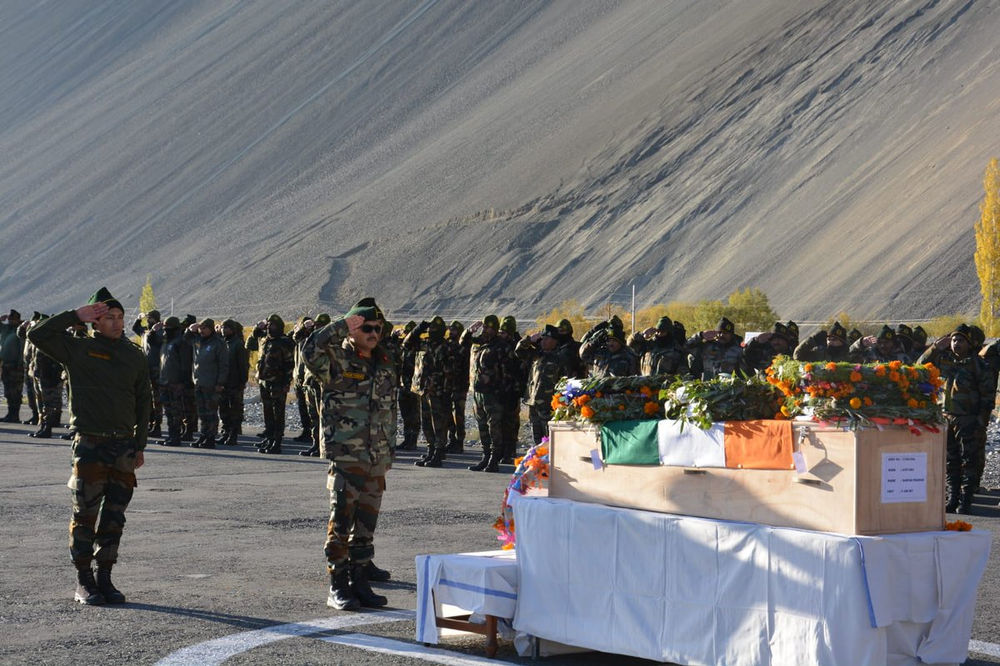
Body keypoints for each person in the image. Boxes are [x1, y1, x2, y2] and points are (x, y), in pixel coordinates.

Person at [28, 287, 150, 605]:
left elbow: (143, 401)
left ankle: (106, 578)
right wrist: (74, 315)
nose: (116, 323)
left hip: (123, 447)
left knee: (114, 516)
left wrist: (139, 445)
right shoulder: (77, 349)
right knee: (85, 514)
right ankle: (84, 581)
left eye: (120, 317)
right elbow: (38, 335)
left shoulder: (134, 355)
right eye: (108, 317)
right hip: (91, 445)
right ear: (95, 321)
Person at [302, 297, 396, 611]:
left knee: (366, 526)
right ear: (353, 329)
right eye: (365, 327)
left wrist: (387, 453)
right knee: (341, 523)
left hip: (376, 458)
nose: (372, 332)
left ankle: (360, 581)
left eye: (377, 328)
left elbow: (387, 411)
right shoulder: (338, 360)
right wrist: (343, 324)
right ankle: (337, 585)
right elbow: (309, 351)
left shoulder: (383, 362)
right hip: (346, 456)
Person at [918, 325, 994, 514]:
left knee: (969, 460)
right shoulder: (945, 360)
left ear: (969, 344)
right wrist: (935, 347)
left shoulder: (979, 365)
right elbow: (919, 366)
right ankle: (952, 498)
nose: (956, 343)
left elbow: (988, 396)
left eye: (960, 340)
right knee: (951, 460)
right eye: (953, 340)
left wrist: (980, 421)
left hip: (968, 419)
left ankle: (966, 500)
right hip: (946, 417)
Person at [404, 317, 452, 468]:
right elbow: (407, 343)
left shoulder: (445, 347)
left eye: (434, 329)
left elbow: (450, 372)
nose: (431, 332)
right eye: (430, 329)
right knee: (426, 423)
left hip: (437, 391)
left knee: (438, 423)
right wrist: (420, 327)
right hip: (423, 389)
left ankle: (439, 452)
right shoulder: (424, 344)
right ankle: (431, 450)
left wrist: (445, 392)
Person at [460, 316, 506, 472]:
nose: (486, 330)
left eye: (489, 328)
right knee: (482, 426)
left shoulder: (501, 346)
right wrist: (469, 330)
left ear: (495, 329)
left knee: (494, 427)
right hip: (478, 392)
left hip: (493, 394)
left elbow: (507, 371)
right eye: (485, 327)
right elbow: (463, 342)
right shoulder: (481, 343)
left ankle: (494, 459)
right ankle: (485, 456)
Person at [516, 325, 574, 445]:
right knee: (537, 438)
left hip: (549, 406)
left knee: (550, 440)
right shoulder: (537, 354)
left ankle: (549, 463)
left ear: (554, 341)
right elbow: (519, 351)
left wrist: (561, 403)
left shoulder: (561, 358)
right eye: (542, 339)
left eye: (546, 339)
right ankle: (538, 461)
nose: (543, 341)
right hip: (534, 403)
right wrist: (529, 339)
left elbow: (567, 384)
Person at [246, 314, 295, 454]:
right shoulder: (265, 340)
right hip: (264, 382)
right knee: (267, 412)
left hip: (278, 383)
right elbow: (249, 343)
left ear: (279, 327)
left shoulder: (284, 342)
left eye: (272, 325)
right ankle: (269, 438)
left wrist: (286, 382)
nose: (269, 328)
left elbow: (290, 364)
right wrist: (258, 326)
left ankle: (277, 442)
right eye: (268, 325)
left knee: (278, 413)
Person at [184, 318, 229, 448]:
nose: (201, 331)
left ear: (210, 328)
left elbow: (223, 365)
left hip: (212, 383)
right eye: (200, 328)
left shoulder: (218, 343)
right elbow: (186, 339)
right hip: (199, 382)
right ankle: (203, 435)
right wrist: (190, 329)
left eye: (204, 328)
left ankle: (211, 438)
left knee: (211, 413)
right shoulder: (198, 341)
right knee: (202, 412)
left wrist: (220, 383)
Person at [132, 310, 164, 437]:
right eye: (148, 318)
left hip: (156, 368)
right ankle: (150, 423)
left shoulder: (160, 332)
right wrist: (139, 318)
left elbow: (153, 341)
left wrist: (154, 330)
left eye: (151, 318)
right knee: (147, 398)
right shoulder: (145, 331)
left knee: (157, 399)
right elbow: (135, 328)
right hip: (146, 369)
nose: (149, 320)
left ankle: (157, 425)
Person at [217, 319, 249, 446]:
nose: (224, 330)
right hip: (223, 382)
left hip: (234, 383)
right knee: (223, 410)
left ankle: (233, 435)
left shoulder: (238, 344)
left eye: (227, 328)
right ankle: (225, 433)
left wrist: (242, 381)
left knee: (235, 410)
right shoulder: (222, 343)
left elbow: (243, 365)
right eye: (223, 327)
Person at [157, 317, 186, 447]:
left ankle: (176, 437)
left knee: (176, 411)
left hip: (176, 383)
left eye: (168, 328)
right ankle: (171, 435)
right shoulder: (166, 341)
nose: (165, 330)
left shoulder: (180, 342)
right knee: (168, 411)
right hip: (164, 381)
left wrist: (182, 381)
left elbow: (185, 364)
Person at [445, 321, 470, 454]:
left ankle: (459, 442)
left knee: (459, 416)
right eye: (451, 330)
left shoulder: (463, 347)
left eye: (454, 330)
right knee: (448, 414)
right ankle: (452, 439)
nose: (451, 332)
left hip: (460, 386)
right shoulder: (447, 345)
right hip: (447, 386)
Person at [0, 309, 25, 422]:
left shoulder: (20, 331)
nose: (10, 321)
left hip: (16, 366)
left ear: (18, 320)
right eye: (9, 319)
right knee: (8, 391)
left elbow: (22, 348)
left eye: (12, 319)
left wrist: (20, 363)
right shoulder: (6, 329)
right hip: (6, 365)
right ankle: (10, 413)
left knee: (15, 391)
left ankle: (15, 415)